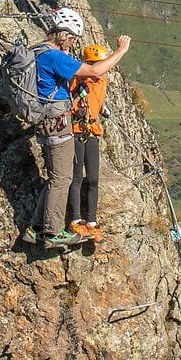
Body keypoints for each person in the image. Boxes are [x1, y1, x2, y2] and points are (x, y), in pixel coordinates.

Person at [19, 8, 129, 250]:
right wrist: (120, 51)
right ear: (62, 33)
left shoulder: (39, 51)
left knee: (56, 178)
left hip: (47, 120)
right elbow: (96, 70)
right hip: (57, 123)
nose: (71, 43)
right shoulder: (55, 57)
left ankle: (35, 227)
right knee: (62, 179)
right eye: (70, 38)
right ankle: (53, 231)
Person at [67, 44, 110, 240]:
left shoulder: (102, 82)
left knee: (93, 178)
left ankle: (92, 221)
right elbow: (68, 102)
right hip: (76, 130)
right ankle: (76, 220)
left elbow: (98, 101)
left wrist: (102, 109)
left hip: (92, 131)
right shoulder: (77, 80)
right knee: (76, 177)